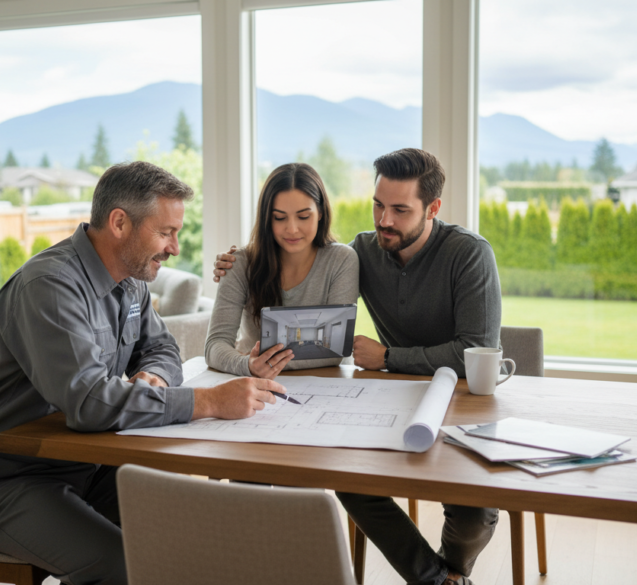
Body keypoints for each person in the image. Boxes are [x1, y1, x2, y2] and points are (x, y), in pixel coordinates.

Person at [0, 161, 286, 585]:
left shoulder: (132, 279)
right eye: (165, 232)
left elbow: (162, 347)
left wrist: (154, 377)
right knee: (120, 567)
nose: (174, 247)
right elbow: (87, 403)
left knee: (188, 535)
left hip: (81, 464)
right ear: (120, 223)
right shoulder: (49, 286)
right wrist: (209, 401)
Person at [213, 148, 501, 585]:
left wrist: (388, 358)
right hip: (390, 396)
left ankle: (450, 572)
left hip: (461, 397)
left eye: (400, 210)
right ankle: (434, 580)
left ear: (434, 208)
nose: (384, 220)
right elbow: (313, 268)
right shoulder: (363, 250)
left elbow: (476, 350)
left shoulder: (468, 254)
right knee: (349, 475)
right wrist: (236, 263)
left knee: (475, 512)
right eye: (378, 205)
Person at [205, 162, 359, 379]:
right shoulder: (239, 264)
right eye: (279, 217)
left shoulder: (342, 260)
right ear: (267, 218)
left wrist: (261, 362)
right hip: (253, 382)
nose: (292, 229)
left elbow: (333, 353)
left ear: (321, 212)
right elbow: (215, 345)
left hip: (325, 383)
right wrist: (246, 365)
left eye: (303, 216)